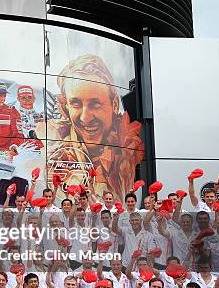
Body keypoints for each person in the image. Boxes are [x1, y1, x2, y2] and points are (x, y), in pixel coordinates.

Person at [40, 55, 145, 202]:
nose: (85, 118)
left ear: (115, 105)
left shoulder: (130, 150)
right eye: (76, 104)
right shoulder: (52, 151)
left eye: (95, 104)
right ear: (66, 107)